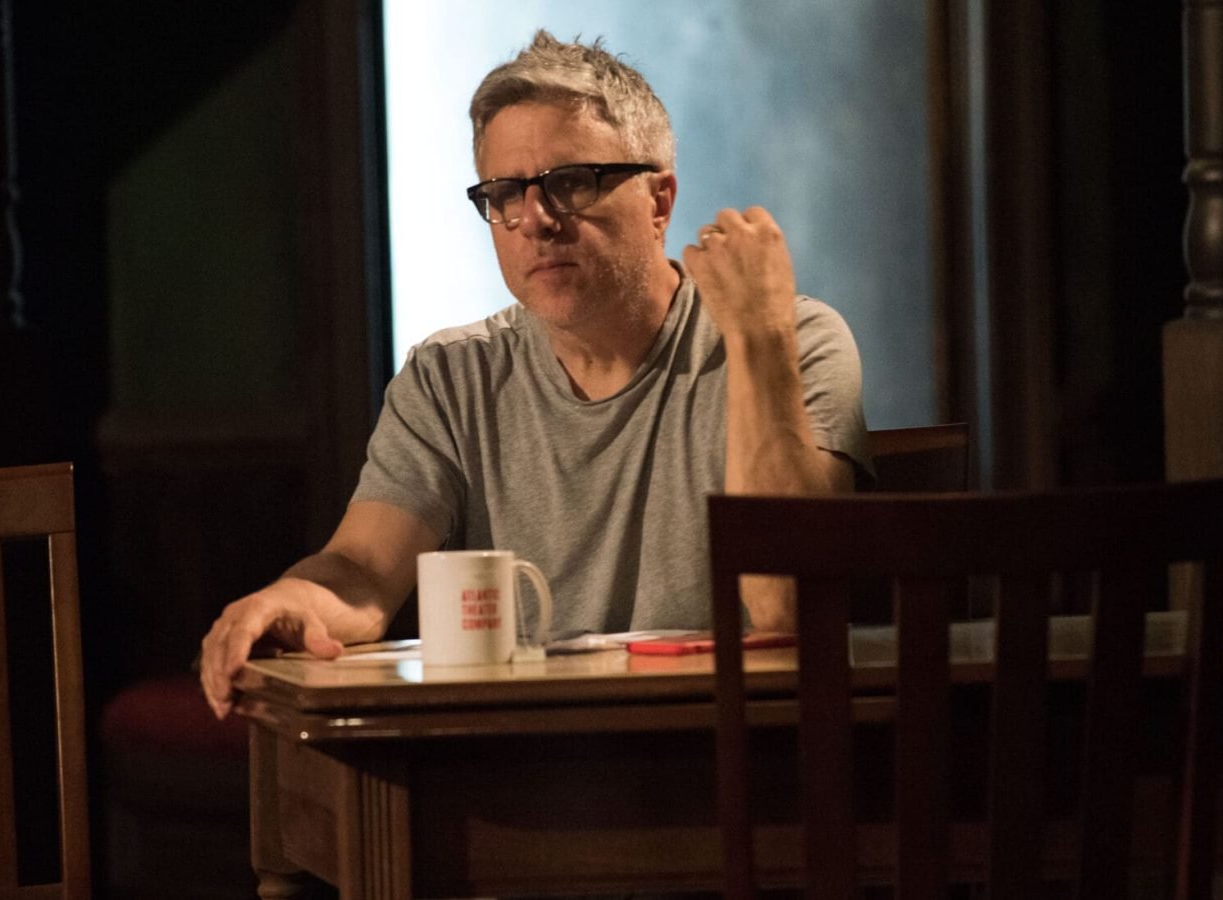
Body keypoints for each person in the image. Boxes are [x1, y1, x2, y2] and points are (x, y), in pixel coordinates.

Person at [200, 31, 869, 718]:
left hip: (741, 751)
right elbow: (363, 574)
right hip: (526, 766)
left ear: (660, 201)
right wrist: (284, 600)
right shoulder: (449, 377)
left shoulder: (793, 339)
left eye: (570, 184)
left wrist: (758, 338)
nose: (534, 220)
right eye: (504, 193)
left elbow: (786, 602)